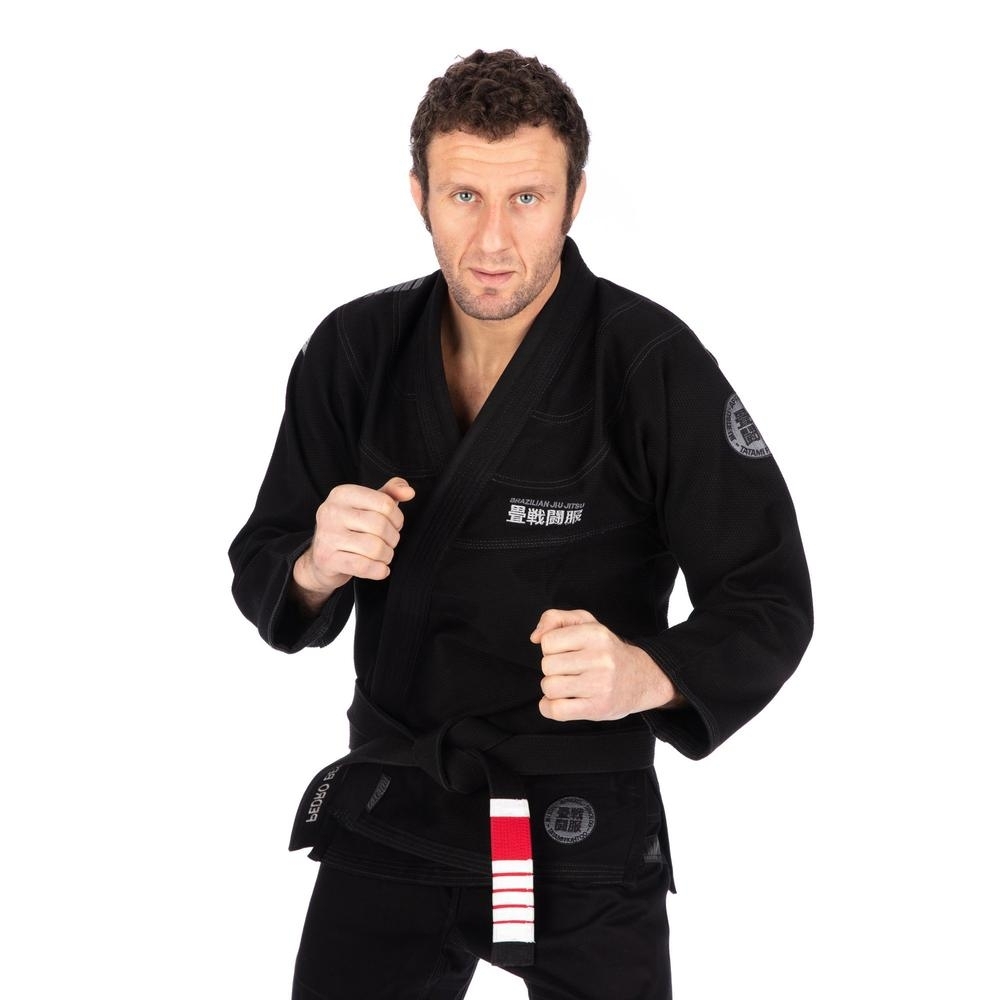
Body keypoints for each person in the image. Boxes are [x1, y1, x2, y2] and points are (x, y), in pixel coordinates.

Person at [229, 48, 812, 1000]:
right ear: (419, 196)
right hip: (398, 796)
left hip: (581, 825)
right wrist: (313, 566)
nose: (493, 239)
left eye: (527, 198)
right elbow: (266, 561)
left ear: (575, 198)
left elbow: (769, 598)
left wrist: (645, 673)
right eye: (464, 196)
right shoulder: (354, 350)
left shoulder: (649, 362)